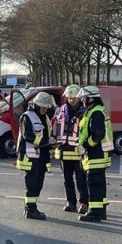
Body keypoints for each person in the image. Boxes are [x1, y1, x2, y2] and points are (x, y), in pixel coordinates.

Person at [77, 85, 114, 222]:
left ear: (91, 98)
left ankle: (95, 213)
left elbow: (98, 134)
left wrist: (86, 145)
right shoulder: (96, 110)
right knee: (100, 184)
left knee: (94, 184)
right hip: (99, 154)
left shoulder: (96, 112)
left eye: (84, 98)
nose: (83, 101)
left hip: (96, 155)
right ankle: (101, 211)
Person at [16, 91, 55, 220]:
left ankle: (32, 207)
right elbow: (28, 136)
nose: (45, 109)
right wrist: (46, 142)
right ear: (37, 105)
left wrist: (52, 142)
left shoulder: (45, 118)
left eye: (47, 107)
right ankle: (30, 210)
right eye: (43, 106)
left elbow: (47, 135)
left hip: (41, 156)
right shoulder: (27, 116)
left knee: (38, 183)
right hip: (30, 156)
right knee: (32, 184)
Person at [53, 84, 89, 214]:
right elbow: (56, 128)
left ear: (79, 97)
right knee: (67, 180)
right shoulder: (61, 110)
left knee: (81, 180)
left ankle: (84, 203)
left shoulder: (85, 111)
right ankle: (70, 202)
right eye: (69, 97)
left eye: (73, 97)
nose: (71, 100)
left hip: (78, 152)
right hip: (64, 151)